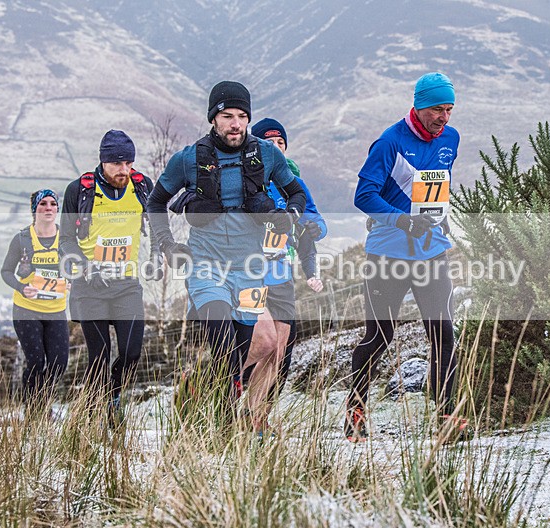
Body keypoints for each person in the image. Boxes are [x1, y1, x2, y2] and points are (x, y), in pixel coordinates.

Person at [147, 81, 307, 421]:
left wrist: (287, 218)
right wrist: (168, 245)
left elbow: (297, 194)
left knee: (243, 351)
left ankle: (216, 415)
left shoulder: (266, 154)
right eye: (227, 116)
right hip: (206, 268)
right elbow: (156, 202)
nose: (235, 124)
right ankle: (225, 423)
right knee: (223, 344)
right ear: (213, 118)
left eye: (242, 116)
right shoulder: (189, 159)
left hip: (250, 269)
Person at [345, 72, 461, 442]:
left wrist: (437, 220)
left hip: (431, 253)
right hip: (387, 253)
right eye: (436, 110)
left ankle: (448, 419)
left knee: (443, 332)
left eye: (449, 109)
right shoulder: (389, 142)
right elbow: (363, 196)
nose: (443, 118)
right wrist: (402, 221)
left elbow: (434, 187)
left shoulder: (451, 140)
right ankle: (355, 413)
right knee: (380, 334)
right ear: (418, 106)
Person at [58, 130, 159, 425]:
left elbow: (155, 224)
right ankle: (94, 416)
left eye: (129, 162)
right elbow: (65, 239)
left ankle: (111, 396)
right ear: (103, 162)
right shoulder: (80, 191)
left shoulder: (142, 187)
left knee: (131, 352)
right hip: (90, 287)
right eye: (117, 163)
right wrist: (87, 267)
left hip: (126, 285)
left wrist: (156, 256)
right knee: (99, 356)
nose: (124, 170)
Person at [241, 117, 327, 433]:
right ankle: (218, 383)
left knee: (278, 352)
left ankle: (255, 420)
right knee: (262, 342)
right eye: (268, 143)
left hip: (281, 276)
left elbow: (316, 219)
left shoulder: (292, 181)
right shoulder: (246, 179)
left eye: (280, 143)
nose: (275, 148)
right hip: (250, 275)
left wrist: (315, 228)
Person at [0, 189, 69, 413]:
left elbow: (77, 267)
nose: (48, 208)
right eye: (43, 204)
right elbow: (6, 272)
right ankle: (35, 411)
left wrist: (72, 281)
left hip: (56, 310)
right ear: (35, 209)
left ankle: (42, 402)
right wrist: (22, 287)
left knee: (58, 364)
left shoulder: (66, 239)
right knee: (36, 362)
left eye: (52, 204)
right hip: (26, 309)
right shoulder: (22, 239)